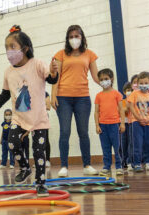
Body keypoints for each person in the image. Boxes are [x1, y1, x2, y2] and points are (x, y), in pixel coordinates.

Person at [0, 25, 59, 197]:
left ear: (25, 48)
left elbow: (51, 79)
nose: (9, 52)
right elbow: (5, 94)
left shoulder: (37, 64)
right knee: (11, 142)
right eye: (6, 48)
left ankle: (40, 183)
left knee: (39, 152)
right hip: (19, 117)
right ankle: (24, 168)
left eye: (12, 47)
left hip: (38, 117)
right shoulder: (8, 72)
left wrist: (54, 72)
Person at [51, 25, 99, 177]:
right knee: (64, 131)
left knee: (83, 132)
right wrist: (53, 96)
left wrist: (108, 85)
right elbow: (55, 77)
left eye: (76, 36)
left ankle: (87, 165)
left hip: (83, 98)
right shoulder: (61, 54)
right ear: (67, 39)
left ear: (82, 37)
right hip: (63, 97)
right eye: (71, 36)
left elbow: (96, 76)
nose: (74, 39)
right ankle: (64, 166)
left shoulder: (89, 54)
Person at [127, 72, 149, 172]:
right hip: (137, 123)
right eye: (141, 83)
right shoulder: (134, 94)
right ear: (137, 84)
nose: (143, 85)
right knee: (137, 143)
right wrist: (138, 118)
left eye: (145, 82)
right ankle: (137, 164)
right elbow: (130, 106)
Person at [94, 68, 125, 176]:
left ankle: (119, 166)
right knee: (105, 147)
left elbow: (121, 109)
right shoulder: (98, 96)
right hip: (103, 125)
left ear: (111, 79)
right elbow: (96, 111)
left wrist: (122, 123)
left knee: (117, 147)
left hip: (114, 124)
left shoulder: (117, 94)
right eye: (101, 79)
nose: (103, 81)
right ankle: (106, 166)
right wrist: (97, 125)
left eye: (106, 78)